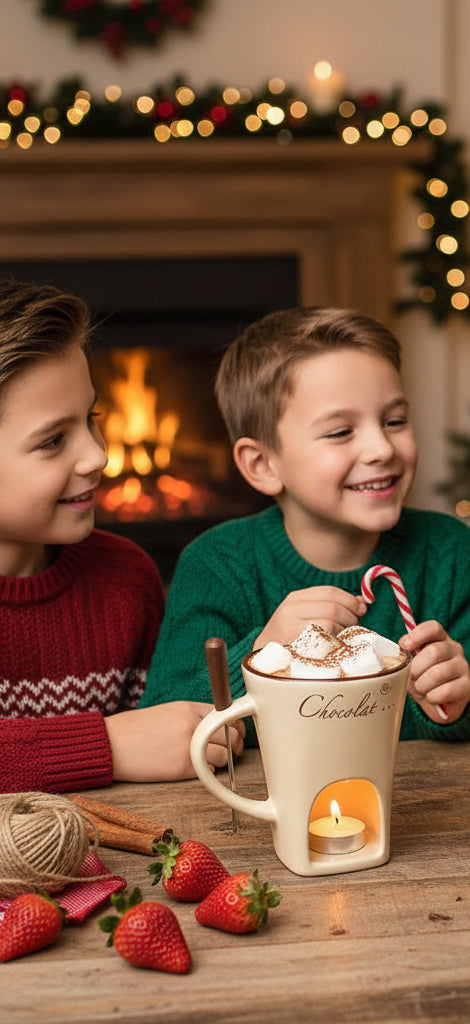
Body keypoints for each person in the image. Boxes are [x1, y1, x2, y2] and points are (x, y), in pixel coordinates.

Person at [141, 308, 470, 741]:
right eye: (339, 432)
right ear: (262, 465)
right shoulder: (217, 564)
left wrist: (454, 704)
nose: (381, 448)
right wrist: (260, 657)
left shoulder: (449, 552)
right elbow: (168, 718)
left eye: (394, 421)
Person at [0, 279, 242, 794]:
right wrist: (107, 745)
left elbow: (169, 740)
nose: (97, 456)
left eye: (91, 419)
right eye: (52, 440)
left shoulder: (124, 580)